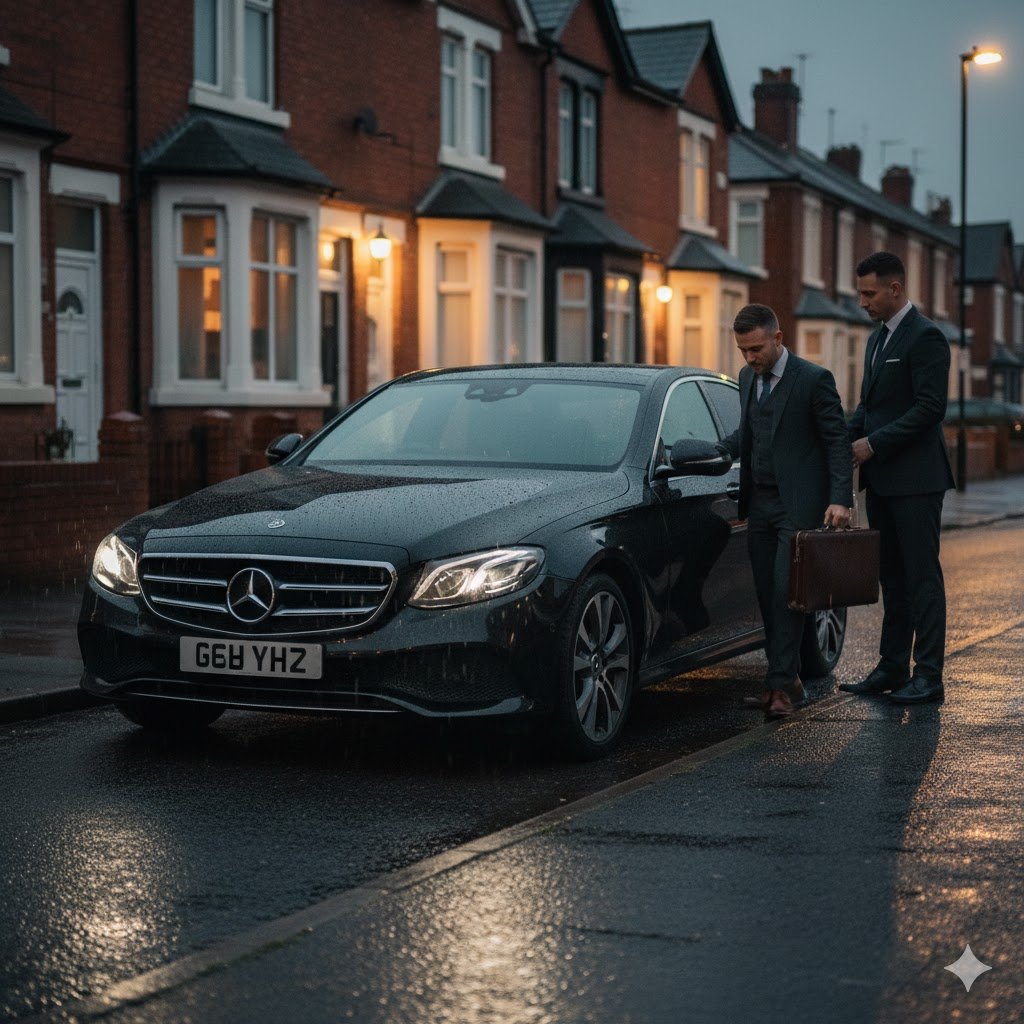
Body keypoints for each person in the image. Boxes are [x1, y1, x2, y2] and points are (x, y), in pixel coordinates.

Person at [721, 304, 852, 718]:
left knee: (785, 592)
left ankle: (781, 687)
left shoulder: (813, 379)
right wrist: (715, 449)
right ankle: (785, 679)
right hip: (759, 503)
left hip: (798, 504)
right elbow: (749, 433)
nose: (749, 358)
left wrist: (841, 498)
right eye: (743, 350)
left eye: (756, 349)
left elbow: (836, 442)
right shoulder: (747, 378)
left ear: (778, 338)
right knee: (764, 592)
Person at [839, 251, 955, 704]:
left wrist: (874, 444)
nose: (862, 302)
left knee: (923, 578)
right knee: (892, 578)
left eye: (869, 293)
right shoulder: (876, 340)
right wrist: (842, 441)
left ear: (895, 288)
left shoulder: (926, 336)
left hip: (918, 481)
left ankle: (929, 676)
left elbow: (930, 408)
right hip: (883, 481)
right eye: (860, 293)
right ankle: (891, 667)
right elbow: (869, 407)